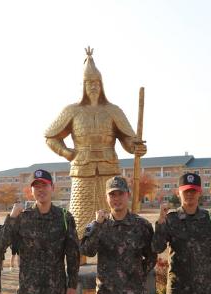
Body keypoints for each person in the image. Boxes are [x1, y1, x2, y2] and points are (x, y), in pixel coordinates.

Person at [44, 47, 146, 240]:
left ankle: (113, 251)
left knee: (114, 215)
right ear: (83, 85)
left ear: (102, 85)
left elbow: (127, 138)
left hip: (109, 169)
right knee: (80, 214)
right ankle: (80, 252)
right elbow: (50, 136)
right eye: (89, 83)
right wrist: (67, 153)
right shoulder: (72, 110)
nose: (93, 86)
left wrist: (135, 147)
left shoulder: (113, 110)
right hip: (83, 168)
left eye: (96, 82)